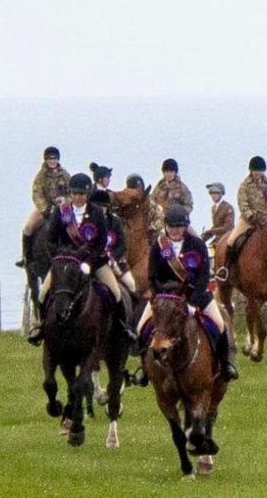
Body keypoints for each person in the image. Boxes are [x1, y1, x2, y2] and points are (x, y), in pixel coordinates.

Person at [133, 206, 238, 384]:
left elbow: (204, 276)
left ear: (186, 227)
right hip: (165, 299)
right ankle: (145, 369)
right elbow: (152, 276)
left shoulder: (196, 244)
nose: (175, 230)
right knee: (141, 328)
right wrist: (160, 297)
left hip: (195, 294)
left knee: (220, 326)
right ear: (166, 226)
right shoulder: (159, 246)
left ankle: (224, 364)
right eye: (172, 226)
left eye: (179, 226)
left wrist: (192, 301)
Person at [31, 174, 137, 346]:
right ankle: (42, 327)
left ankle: (123, 328)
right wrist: (60, 257)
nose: (78, 197)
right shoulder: (61, 211)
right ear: (70, 193)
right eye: (75, 193)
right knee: (43, 293)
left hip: (92, 262)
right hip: (66, 263)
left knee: (116, 293)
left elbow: (102, 241)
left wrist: (89, 262)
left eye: (82, 194)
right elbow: (51, 239)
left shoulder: (96, 213)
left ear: (87, 195)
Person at [218, 156, 267, 277]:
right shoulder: (245, 185)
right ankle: (225, 267)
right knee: (231, 240)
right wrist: (252, 216)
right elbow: (243, 203)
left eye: (260, 170)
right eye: (255, 170)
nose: (257, 173)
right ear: (251, 171)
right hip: (249, 220)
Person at [17, 146, 71, 268]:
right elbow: (36, 194)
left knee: (74, 226)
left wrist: (65, 201)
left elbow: (71, 192)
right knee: (28, 227)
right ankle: (26, 257)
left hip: (63, 208)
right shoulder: (40, 176)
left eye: (55, 159)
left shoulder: (65, 175)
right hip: (45, 207)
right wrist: (45, 208)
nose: (52, 161)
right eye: (50, 159)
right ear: (45, 160)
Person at [89, 189, 137, 297]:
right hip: (92, 261)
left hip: (115, 261)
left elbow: (122, 244)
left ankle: (130, 312)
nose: (100, 210)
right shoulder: (87, 222)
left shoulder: (115, 221)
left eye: (103, 207)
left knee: (131, 284)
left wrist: (113, 257)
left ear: (107, 207)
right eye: (97, 207)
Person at [151, 158, 194, 232]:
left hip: (177, 223)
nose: (168, 174)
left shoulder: (182, 187)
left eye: (171, 171)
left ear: (175, 172)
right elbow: (152, 201)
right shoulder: (159, 186)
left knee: (195, 239)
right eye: (166, 172)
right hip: (159, 221)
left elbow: (189, 205)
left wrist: (179, 214)